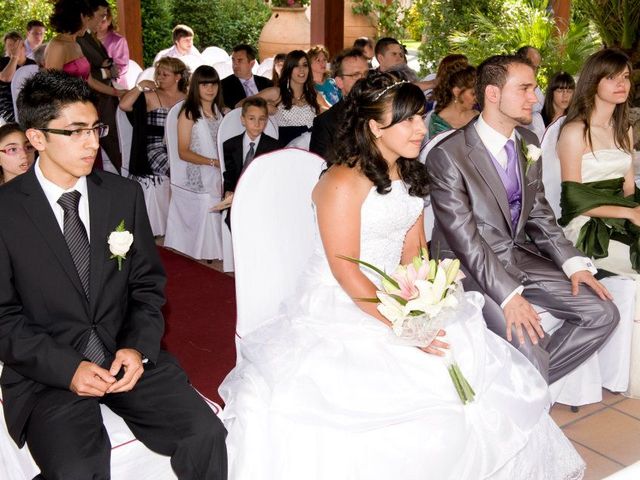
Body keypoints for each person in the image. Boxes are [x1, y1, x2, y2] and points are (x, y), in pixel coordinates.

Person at [219, 72, 586, 480]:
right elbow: (345, 270)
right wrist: (408, 323)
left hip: (400, 293)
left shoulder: (407, 173)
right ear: (375, 127)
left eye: (420, 117)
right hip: (348, 302)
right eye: (408, 120)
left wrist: (428, 298)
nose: (420, 128)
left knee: (466, 360)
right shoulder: (342, 181)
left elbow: (414, 251)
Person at [0, 69, 227, 479]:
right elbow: (3, 317)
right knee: (77, 467)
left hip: (124, 355)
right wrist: (67, 369)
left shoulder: (123, 195)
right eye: (76, 132)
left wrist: (136, 348)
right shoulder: (6, 212)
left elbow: (146, 285)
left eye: (95, 128)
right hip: (48, 373)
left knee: (204, 433)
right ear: (36, 138)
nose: (93, 142)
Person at [426, 54, 619, 384]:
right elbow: (465, 240)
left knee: (602, 313)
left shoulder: (528, 142)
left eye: (534, 88)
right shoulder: (448, 155)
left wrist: (573, 264)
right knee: (529, 347)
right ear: (493, 94)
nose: (535, 97)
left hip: (516, 256)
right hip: (465, 268)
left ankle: (518, 388)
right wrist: (508, 296)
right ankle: (524, 384)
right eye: (525, 88)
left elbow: (539, 213)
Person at [556, 48, 640, 396]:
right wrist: (628, 213)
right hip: (585, 226)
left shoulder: (625, 130)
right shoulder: (575, 131)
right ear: (594, 82)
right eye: (612, 77)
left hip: (621, 215)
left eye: (626, 77)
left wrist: (633, 212)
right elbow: (572, 200)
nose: (622, 84)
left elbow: (629, 188)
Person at [119, 56, 188, 185]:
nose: (159, 77)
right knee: (179, 171)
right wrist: (141, 85)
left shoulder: (187, 98)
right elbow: (124, 105)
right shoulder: (150, 95)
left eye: (165, 75)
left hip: (180, 146)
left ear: (177, 77)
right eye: (158, 74)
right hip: (155, 148)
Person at [76, 0, 123, 173]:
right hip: (93, 97)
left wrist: (109, 67)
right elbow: (84, 72)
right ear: (88, 15)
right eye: (101, 15)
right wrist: (106, 73)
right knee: (106, 139)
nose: (103, 20)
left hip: (106, 96)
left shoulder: (90, 36)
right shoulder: (78, 39)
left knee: (113, 139)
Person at [222, 96, 279, 228]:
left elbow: (274, 177)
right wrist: (228, 190)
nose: (257, 124)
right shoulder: (230, 145)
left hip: (262, 199)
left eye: (262, 119)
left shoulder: (275, 147)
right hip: (237, 199)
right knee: (237, 222)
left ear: (266, 121)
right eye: (251, 118)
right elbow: (229, 173)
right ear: (243, 120)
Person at [309, 47, 369, 159]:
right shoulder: (325, 123)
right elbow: (321, 168)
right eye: (355, 75)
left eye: (366, 74)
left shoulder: (383, 111)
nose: (364, 80)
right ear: (340, 82)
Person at [253, 50, 319, 146]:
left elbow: (330, 114)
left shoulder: (313, 94)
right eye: (296, 65)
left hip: (311, 151)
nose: (301, 69)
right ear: (288, 69)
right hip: (285, 151)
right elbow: (241, 105)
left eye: (305, 65)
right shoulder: (277, 93)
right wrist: (263, 108)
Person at [177, 65, 224, 194]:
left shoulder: (219, 112)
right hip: (199, 173)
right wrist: (213, 163)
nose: (210, 89)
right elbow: (183, 152)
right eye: (205, 85)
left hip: (221, 170)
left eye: (214, 84)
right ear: (195, 87)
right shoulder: (189, 114)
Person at [429, 64, 478, 137]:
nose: (477, 98)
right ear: (457, 92)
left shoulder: (476, 114)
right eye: (473, 93)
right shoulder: (438, 124)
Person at [221, 44, 272, 110]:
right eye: (233, 60)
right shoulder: (223, 85)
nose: (235, 65)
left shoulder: (267, 84)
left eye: (240, 60)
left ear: (252, 64)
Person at [0, 32, 36, 123]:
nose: (13, 48)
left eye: (15, 46)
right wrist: (14, 58)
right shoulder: (2, 62)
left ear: (23, 47)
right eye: (9, 45)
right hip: (6, 107)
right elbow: (6, 78)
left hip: (27, 105)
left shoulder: (33, 64)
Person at [96, 5, 130, 88]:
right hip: (94, 81)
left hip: (115, 84)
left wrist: (107, 70)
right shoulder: (87, 38)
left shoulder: (118, 40)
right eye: (97, 20)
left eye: (103, 21)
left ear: (109, 21)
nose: (99, 24)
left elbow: (122, 66)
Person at [308, 45, 341, 110]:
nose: (323, 63)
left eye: (324, 59)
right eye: (318, 60)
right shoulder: (308, 86)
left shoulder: (333, 82)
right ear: (309, 63)